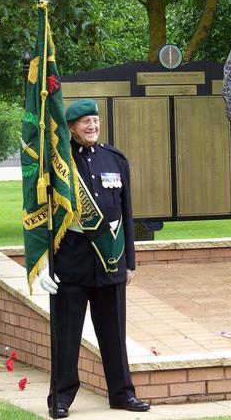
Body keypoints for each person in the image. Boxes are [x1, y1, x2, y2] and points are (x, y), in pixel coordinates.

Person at [39, 99, 150, 418]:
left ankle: (122, 394)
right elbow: (44, 214)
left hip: (110, 262)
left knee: (114, 333)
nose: (92, 126)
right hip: (72, 263)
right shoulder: (58, 164)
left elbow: (127, 213)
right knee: (68, 336)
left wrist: (130, 260)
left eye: (95, 121)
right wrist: (46, 262)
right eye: (85, 122)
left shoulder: (114, 159)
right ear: (71, 128)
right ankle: (60, 398)